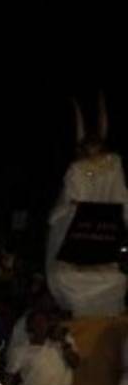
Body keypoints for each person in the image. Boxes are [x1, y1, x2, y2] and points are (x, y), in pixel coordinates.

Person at [45, 98, 128, 317]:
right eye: (88, 146)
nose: (92, 150)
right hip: (82, 223)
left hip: (102, 225)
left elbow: (119, 193)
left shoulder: (112, 163)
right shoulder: (77, 168)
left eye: (96, 145)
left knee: (113, 278)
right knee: (65, 274)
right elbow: (71, 196)